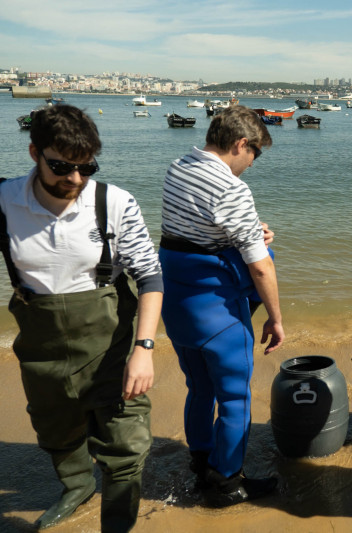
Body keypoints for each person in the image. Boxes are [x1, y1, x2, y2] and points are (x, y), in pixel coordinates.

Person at [0, 105, 163, 531]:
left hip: (111, 342)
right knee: (55, 427)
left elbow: (150, 276)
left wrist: (145, 349)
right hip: (41, 345)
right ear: (34, 152)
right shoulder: (4, 201)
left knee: (126, 447)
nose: (73, 179)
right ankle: (76, 485)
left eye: (85, 166)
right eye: (60, 166)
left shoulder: (113, 202)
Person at [158, 105, 284, 508]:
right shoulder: (231, 188)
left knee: (199, 388)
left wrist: (249, 234)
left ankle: (201, 463)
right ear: (240, 144)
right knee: (234, 398)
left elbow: (191, 234)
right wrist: (277, 319)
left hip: (177, 303)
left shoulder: (178, 167)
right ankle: (227, 482)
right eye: (255, 154)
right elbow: (260, 268)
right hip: (217, 310)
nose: (253, 163)